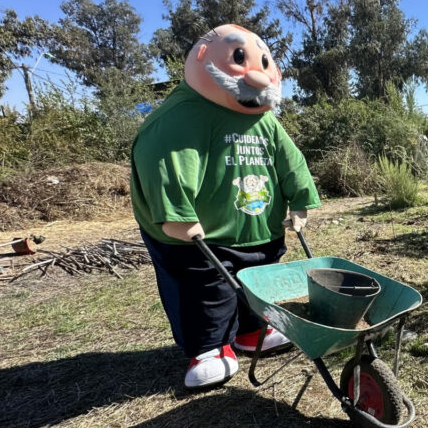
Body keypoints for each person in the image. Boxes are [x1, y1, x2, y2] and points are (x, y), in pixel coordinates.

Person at [131, 24, 321, 389]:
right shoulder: (184, 114)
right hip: (203, 236)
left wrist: (299, 200)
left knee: (259, 282)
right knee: (207, 290)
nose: (256, 71)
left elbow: (290, 160)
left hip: (259, 228)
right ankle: (209, 348)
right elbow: (167, 162)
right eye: (240, 58)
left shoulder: (265, 121)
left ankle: (252, 332)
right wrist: (177, 215)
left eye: (263, 61)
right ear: (204, 57)